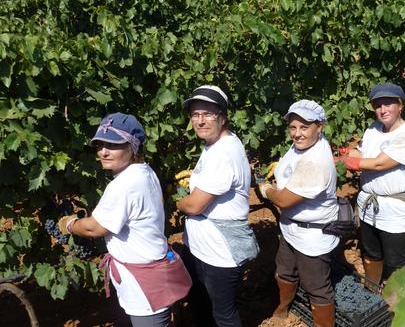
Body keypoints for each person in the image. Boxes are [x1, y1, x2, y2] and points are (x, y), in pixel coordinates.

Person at [58, 112, 191, 327]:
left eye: (113, 145)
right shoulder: (145, 171)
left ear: (133, 147)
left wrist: (70, 224)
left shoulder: (124, 185)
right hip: (150, 274)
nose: (103, 152)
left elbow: (94, 228)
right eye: (100, 144)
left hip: (144, 286)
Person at [176, 85, 259, 327]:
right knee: (202, 303)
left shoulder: (224, 153)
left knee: (223, 314)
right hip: (204, 248)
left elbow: (194, 206)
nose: (200, 121)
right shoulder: (216, 145)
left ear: (222, 117)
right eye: (195, 115)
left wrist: (179, 202)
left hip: (219, 253)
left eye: (208, 114)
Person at [258, 100, 339, 327]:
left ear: (319, 126)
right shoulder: (303, 146)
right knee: (285, 271)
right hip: (292, 228)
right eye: (293, 127)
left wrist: (267, 189)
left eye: (304, 127)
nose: (297, 133)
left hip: (313, 236)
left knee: (317, 288)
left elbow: (283, 200)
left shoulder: (316, 161)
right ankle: (283, 308)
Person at [335, 82, 405, 285]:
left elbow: (378, 163)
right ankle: (372, 290)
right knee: (371, 253)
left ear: (400, 105)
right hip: (369, 207)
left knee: (395, 261)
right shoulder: (373, 129)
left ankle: (400, 303)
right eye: (377, 105)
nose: (382, 110)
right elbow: (364, 154)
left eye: (388, 104)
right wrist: (343, 152)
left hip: (396, 209)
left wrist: (344, 162)